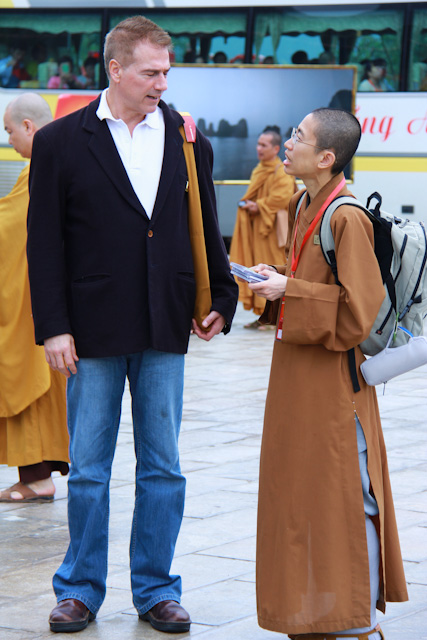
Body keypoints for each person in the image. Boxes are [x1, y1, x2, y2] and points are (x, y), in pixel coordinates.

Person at [27, 15, 238, 635]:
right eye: (150, 73)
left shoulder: (186, 137)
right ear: (115, 69)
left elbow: (204, 222)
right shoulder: (60, 141)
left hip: (165, 321)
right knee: (89, 470)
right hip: (89, 328)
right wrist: (53, 326)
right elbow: (43, 243)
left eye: (166, 73)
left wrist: (222, 296)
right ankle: (79, 589)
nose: (161, 84)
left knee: (163, 466)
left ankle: (156, 589)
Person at [249, 109, 408, 638]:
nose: (287, 143)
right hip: (295, 372)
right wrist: (278, 278)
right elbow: (311, 280)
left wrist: (289, 289)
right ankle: (311, 615)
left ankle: (355, 622)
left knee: (345, 493)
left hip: (336, 380)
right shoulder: (303, 203)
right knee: (298, 493)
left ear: (326, 158)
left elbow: (360, 311)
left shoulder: (347, 216)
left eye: (298, 136)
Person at [0, 93, 69, 503]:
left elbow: (11, 229)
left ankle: (38, 478)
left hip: (33, 299)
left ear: (28, 126)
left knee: (26, 376)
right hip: (52, 294)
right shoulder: (61, 156)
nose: (9, 142)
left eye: (10, 132)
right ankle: (39, 476)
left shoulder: (42, 164)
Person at [229, 126, 296, 328]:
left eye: (264, 145)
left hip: (272, 229)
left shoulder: (281, 170)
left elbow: (283, 197)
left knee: (272, 266)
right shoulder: (259, 169)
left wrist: (258, 205)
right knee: (258, 265)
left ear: (276, 149)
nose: (259, 148)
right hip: (259, 227)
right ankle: (262, 315)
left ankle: (275, 315)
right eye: (258, 144)